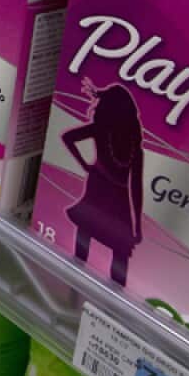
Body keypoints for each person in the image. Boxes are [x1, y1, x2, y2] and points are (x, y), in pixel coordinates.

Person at [62, 80, 145, 287]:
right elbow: (135, 188)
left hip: (107, 190)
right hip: (111, 192)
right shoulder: (112, 135)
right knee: (115, 247)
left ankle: (86, 283)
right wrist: (137, 227)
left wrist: (86, 165)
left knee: (95, 235)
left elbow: (69, 137)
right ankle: (78, 280)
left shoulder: (105, 133)